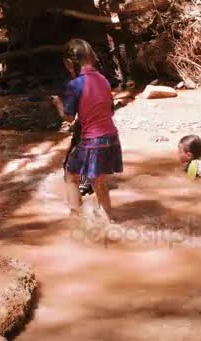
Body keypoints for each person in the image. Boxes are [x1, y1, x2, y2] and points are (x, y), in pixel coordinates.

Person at [52, 39, 123, 221]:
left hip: (92, 140)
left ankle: (76, 220)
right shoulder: (104, 80)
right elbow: (110, 111)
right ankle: (110, 223)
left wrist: (58, 103)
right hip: (112, 138)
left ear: (69, 63)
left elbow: (69, 117)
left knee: (70, 175)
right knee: (100, 183)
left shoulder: (75, 84)